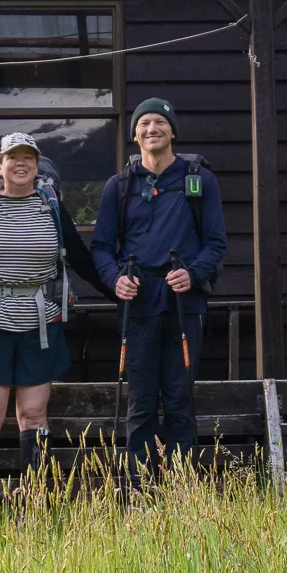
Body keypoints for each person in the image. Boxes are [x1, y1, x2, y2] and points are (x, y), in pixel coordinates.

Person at [0, 131, 102, 502]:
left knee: (34, 415)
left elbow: (80, 257)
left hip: (41, 321)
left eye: (28, 157)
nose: (20, 164)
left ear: (37, 166)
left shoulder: (51, 206)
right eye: (12, 157)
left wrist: (116, 289)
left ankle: (36, 503)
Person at [92, 97, 228, 474]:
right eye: (144, 123)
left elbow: (216, 242)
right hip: (138, 305)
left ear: (173, 130)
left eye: (160, 122)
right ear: (135, 134)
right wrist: (115, 280)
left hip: (185, 303)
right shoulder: (118, 186)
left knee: (180, 398)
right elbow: (101, 247)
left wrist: (194, 273)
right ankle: (140, 489)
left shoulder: (198, 178)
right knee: (140, 401)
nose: (152, 129)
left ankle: (182, 487)